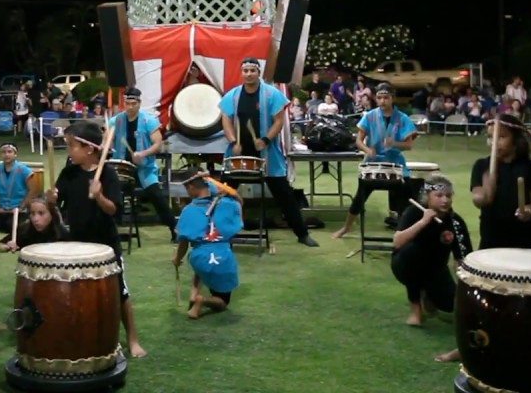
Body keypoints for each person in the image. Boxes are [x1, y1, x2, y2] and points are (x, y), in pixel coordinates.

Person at [47, 119, 147, 358]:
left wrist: (99, 196)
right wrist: (51, 198)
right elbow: (57, 202)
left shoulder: (109, 175)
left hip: (106, 244)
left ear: (89, 149)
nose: (69, 150)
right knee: (78, 291)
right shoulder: (69, 173)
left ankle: (133, 339)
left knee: (119, 291)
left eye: (72, 145)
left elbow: (114, 211)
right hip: (77, 242)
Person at [219, 57, 318, 247]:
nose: (248, 74)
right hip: (239, 152)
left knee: (284, 195)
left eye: (252, 71)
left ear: (259, 73)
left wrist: (265, 140)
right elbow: (226, 120)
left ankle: (302, 233)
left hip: (266, 152)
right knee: (224, 191)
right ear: (242, 73)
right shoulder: (233, 95)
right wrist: (233, 141)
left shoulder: (271, 94)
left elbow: (278, 121)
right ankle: (215, 232)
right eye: (245, 71)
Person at [333, 83, 417, 239]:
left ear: (393, 98)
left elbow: (409, 145)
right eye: (379, 97)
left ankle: (405, 231)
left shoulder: (403, 118)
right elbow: (358, 140)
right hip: (373, 164)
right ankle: (347, 227)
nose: (382, 101)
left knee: (406, 197)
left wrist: (395, 144)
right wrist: (367, 150)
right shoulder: (369, 116)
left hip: (396, 165)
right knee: (360, 196)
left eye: (386, 97)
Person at [390, 173, 472, 328]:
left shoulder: (456, 222)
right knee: (413, 253)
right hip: (405, 264)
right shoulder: (413, 212)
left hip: (436, 270)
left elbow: (461, 259)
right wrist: (423, 221)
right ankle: (416, 310)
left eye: (448, 195)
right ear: (427, 196)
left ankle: (428, 295)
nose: (445, 200)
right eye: (439, 195)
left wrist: (465, 292)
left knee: (450, 306)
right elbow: (397, 242)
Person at [172, 170, 244, 320]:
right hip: (223, 257)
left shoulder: (188, 210)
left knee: (200, 261)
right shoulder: (227, 204)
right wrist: (230, 193)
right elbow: (240, 203)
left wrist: (177, 259)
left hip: (199, 257)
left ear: (192, 187)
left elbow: (183, 243)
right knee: (222, 301)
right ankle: (201, 300)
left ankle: (194, 295)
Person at [108, 87, 176, 240]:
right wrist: (104, 145)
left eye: (133, 103)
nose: (130, 107)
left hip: (144, 170)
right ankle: (112, 230)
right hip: (122, 170)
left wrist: (143, 154)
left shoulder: (149, 121)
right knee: (112, 193)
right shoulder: (116, 121)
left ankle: (174, 229)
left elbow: (157, 144)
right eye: (127, 103)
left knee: (157, 196)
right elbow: (107, 140)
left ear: (139, 103)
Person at [470, 114, 531, 250]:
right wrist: (489, 182)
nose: (493, 142)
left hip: (526, 238)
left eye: (501, 137)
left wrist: (529, 210)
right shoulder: (481, 166)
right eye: (490, 137)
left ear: (516, 141)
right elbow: (478, 200)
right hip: (492, 238)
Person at [0, 143, 33, 233]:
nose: (7, 155)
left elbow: (31, 190)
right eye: (4, 152)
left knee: (10, 227)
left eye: (10, 152)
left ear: (15, 154)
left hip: (18, 207)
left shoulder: (24, 170)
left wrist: (21, 206)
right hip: (2, 207)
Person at [0, 196, 68, 252]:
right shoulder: (25, 230)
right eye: (32, 213)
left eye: (41, 213)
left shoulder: (61, 233)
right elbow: (1, 245)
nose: (35, 219)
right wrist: (7, 246)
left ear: (52, 214)